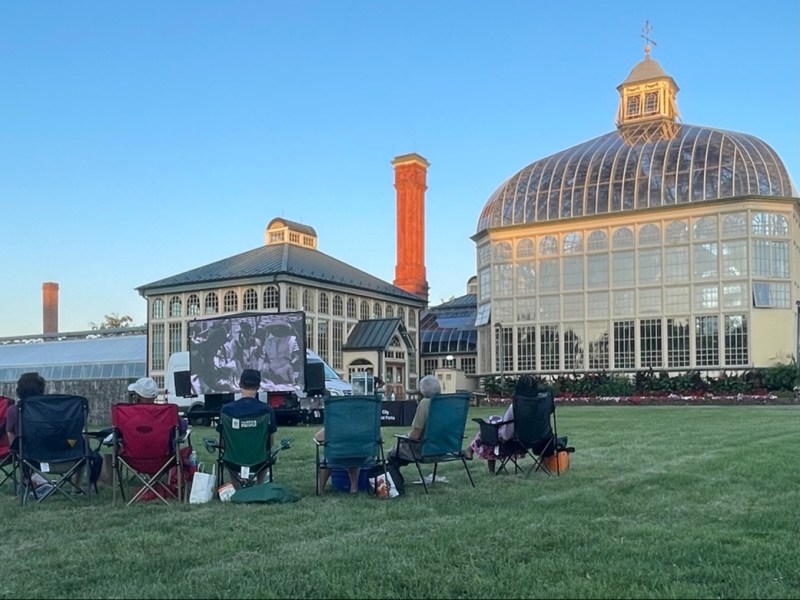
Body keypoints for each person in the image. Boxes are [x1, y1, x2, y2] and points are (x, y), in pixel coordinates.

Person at [465, 375, 538, 474]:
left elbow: (506, 432)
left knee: (489, 428)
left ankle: (472, 450)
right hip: (531, 438)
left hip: (513, 440)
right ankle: (470, 449)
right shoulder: (538, 405)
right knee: (493, 420)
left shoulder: (516, 406)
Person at [217, 369, 277, 486]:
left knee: (228, 452)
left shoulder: (226, 410)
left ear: (239, 384)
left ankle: (236, 485)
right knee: (266, 452)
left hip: (233, 461)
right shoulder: (267, 410)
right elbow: (270, 441)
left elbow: (222, 441)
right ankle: (259, 484)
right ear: (258, 387)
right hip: (260, 461)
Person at [387, 374, 441, 467]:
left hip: (424, 450)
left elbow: (415, 435)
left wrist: (405, 437)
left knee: (392, 453)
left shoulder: (426, 404)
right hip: (444, 447)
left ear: (422, 390)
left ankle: (395, 479)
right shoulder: (445, 403)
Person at [313, 428, 362, 495]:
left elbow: (318, 437)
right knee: (353, 454)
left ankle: (320, 488)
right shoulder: (366, 421)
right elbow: (379, 436)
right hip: (364, 456)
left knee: (327, 459)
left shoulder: (336, 422)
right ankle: (354, 488)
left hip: (335, 456)